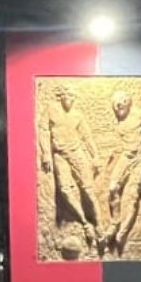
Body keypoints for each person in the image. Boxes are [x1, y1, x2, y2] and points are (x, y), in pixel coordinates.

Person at [38, 84, 105, 245]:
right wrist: (46, 153)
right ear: (61, 95)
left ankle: (100, 226)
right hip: (59, 155)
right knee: (65, 190)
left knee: (88, 190)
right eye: (68, 94)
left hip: (76, 153)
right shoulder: (51, 110)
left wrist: (95, 156)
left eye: (73, 95)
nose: (70, 98)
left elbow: (87, 137)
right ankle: (85, 223)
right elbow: (43, 131)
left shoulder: (77, 115)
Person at [104, 90, 141, 248]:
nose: (119, 105)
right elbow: (119, 144)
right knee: (112, 188)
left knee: (132, 195)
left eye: (122, 102)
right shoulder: (119, 124)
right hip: (126, 156)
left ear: (128, 102)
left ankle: (122, 234)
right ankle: (114, 222)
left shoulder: (139, 115)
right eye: (116, 104)